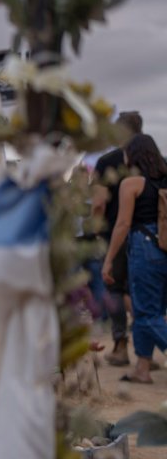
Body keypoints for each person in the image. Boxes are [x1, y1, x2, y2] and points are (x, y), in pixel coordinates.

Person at [101, 134, 167, 384]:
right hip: (165, 247)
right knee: (151, 313)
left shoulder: (131, 184)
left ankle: (144, 365)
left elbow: (123, 225)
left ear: (133, 155)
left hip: (145, 248)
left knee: (147, 315)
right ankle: (142, 368)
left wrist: (109, 260)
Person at [92, 111, 144, 366]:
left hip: (116, 234)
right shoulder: (157, 160)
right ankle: (146, 353)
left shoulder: (106, 162)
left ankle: (121, 346)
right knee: (144, 292)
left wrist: (96, 229)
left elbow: (99, 203)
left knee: (114, 288)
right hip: (149, 237)